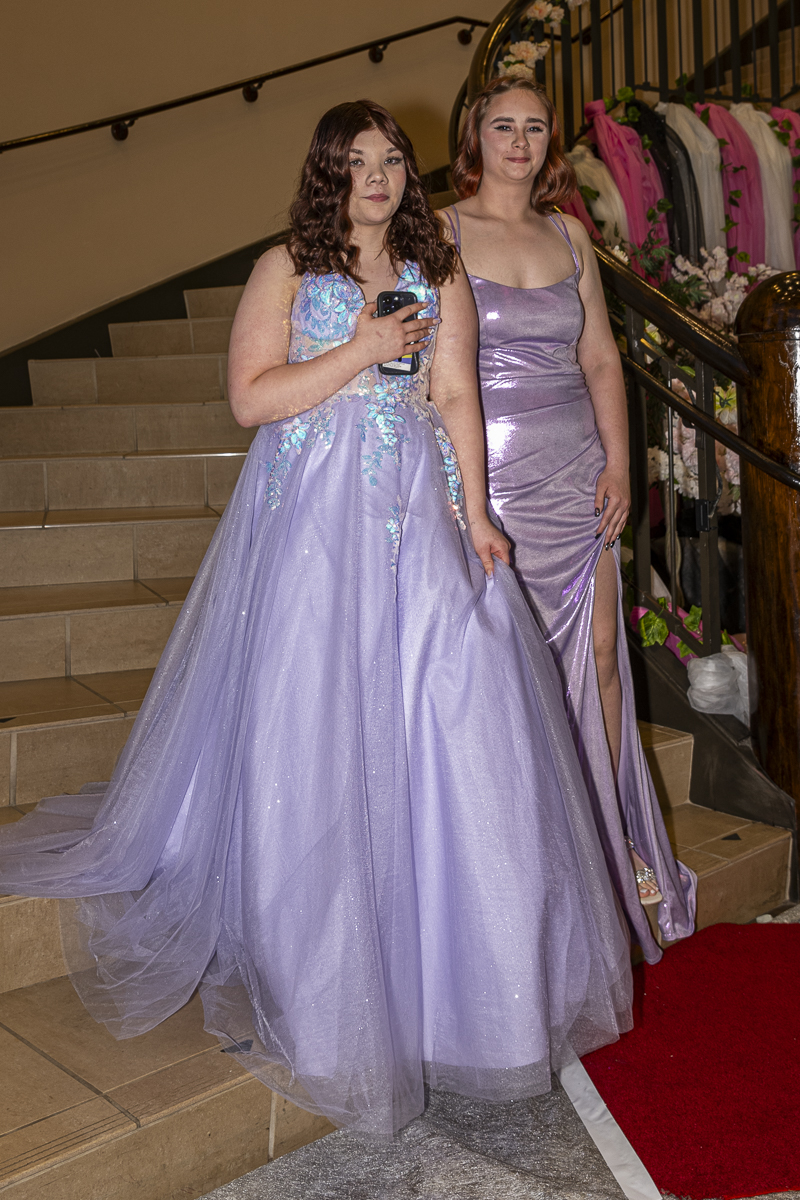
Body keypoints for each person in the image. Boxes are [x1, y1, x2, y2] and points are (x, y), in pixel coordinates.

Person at [0, 100, 632, 1138]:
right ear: (326, 173)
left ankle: (466, 994)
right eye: (356, 161)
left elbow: (456, 397)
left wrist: (477, 515)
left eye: (391, 160)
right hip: (313, 528)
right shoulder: (283, 270)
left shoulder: (436, 269)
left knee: (454, 719)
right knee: (320, 728)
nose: (377, 176)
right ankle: (323, 985)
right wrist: (362, 347)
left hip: (417, 515)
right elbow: (251, 399)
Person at [441, 77, 696, 963]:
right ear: (475, 137)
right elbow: (439, 374)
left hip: (576, 473)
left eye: (535, 128)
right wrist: (458, 492)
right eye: (502, 127)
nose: (519, 142)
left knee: (601, 658)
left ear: (551, 141)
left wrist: (620, 463)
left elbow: (600, 360)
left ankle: (609, 835)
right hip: (491, 481)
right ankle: (528, 852)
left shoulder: (571, 236)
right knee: (505, 672)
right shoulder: (440, 230)